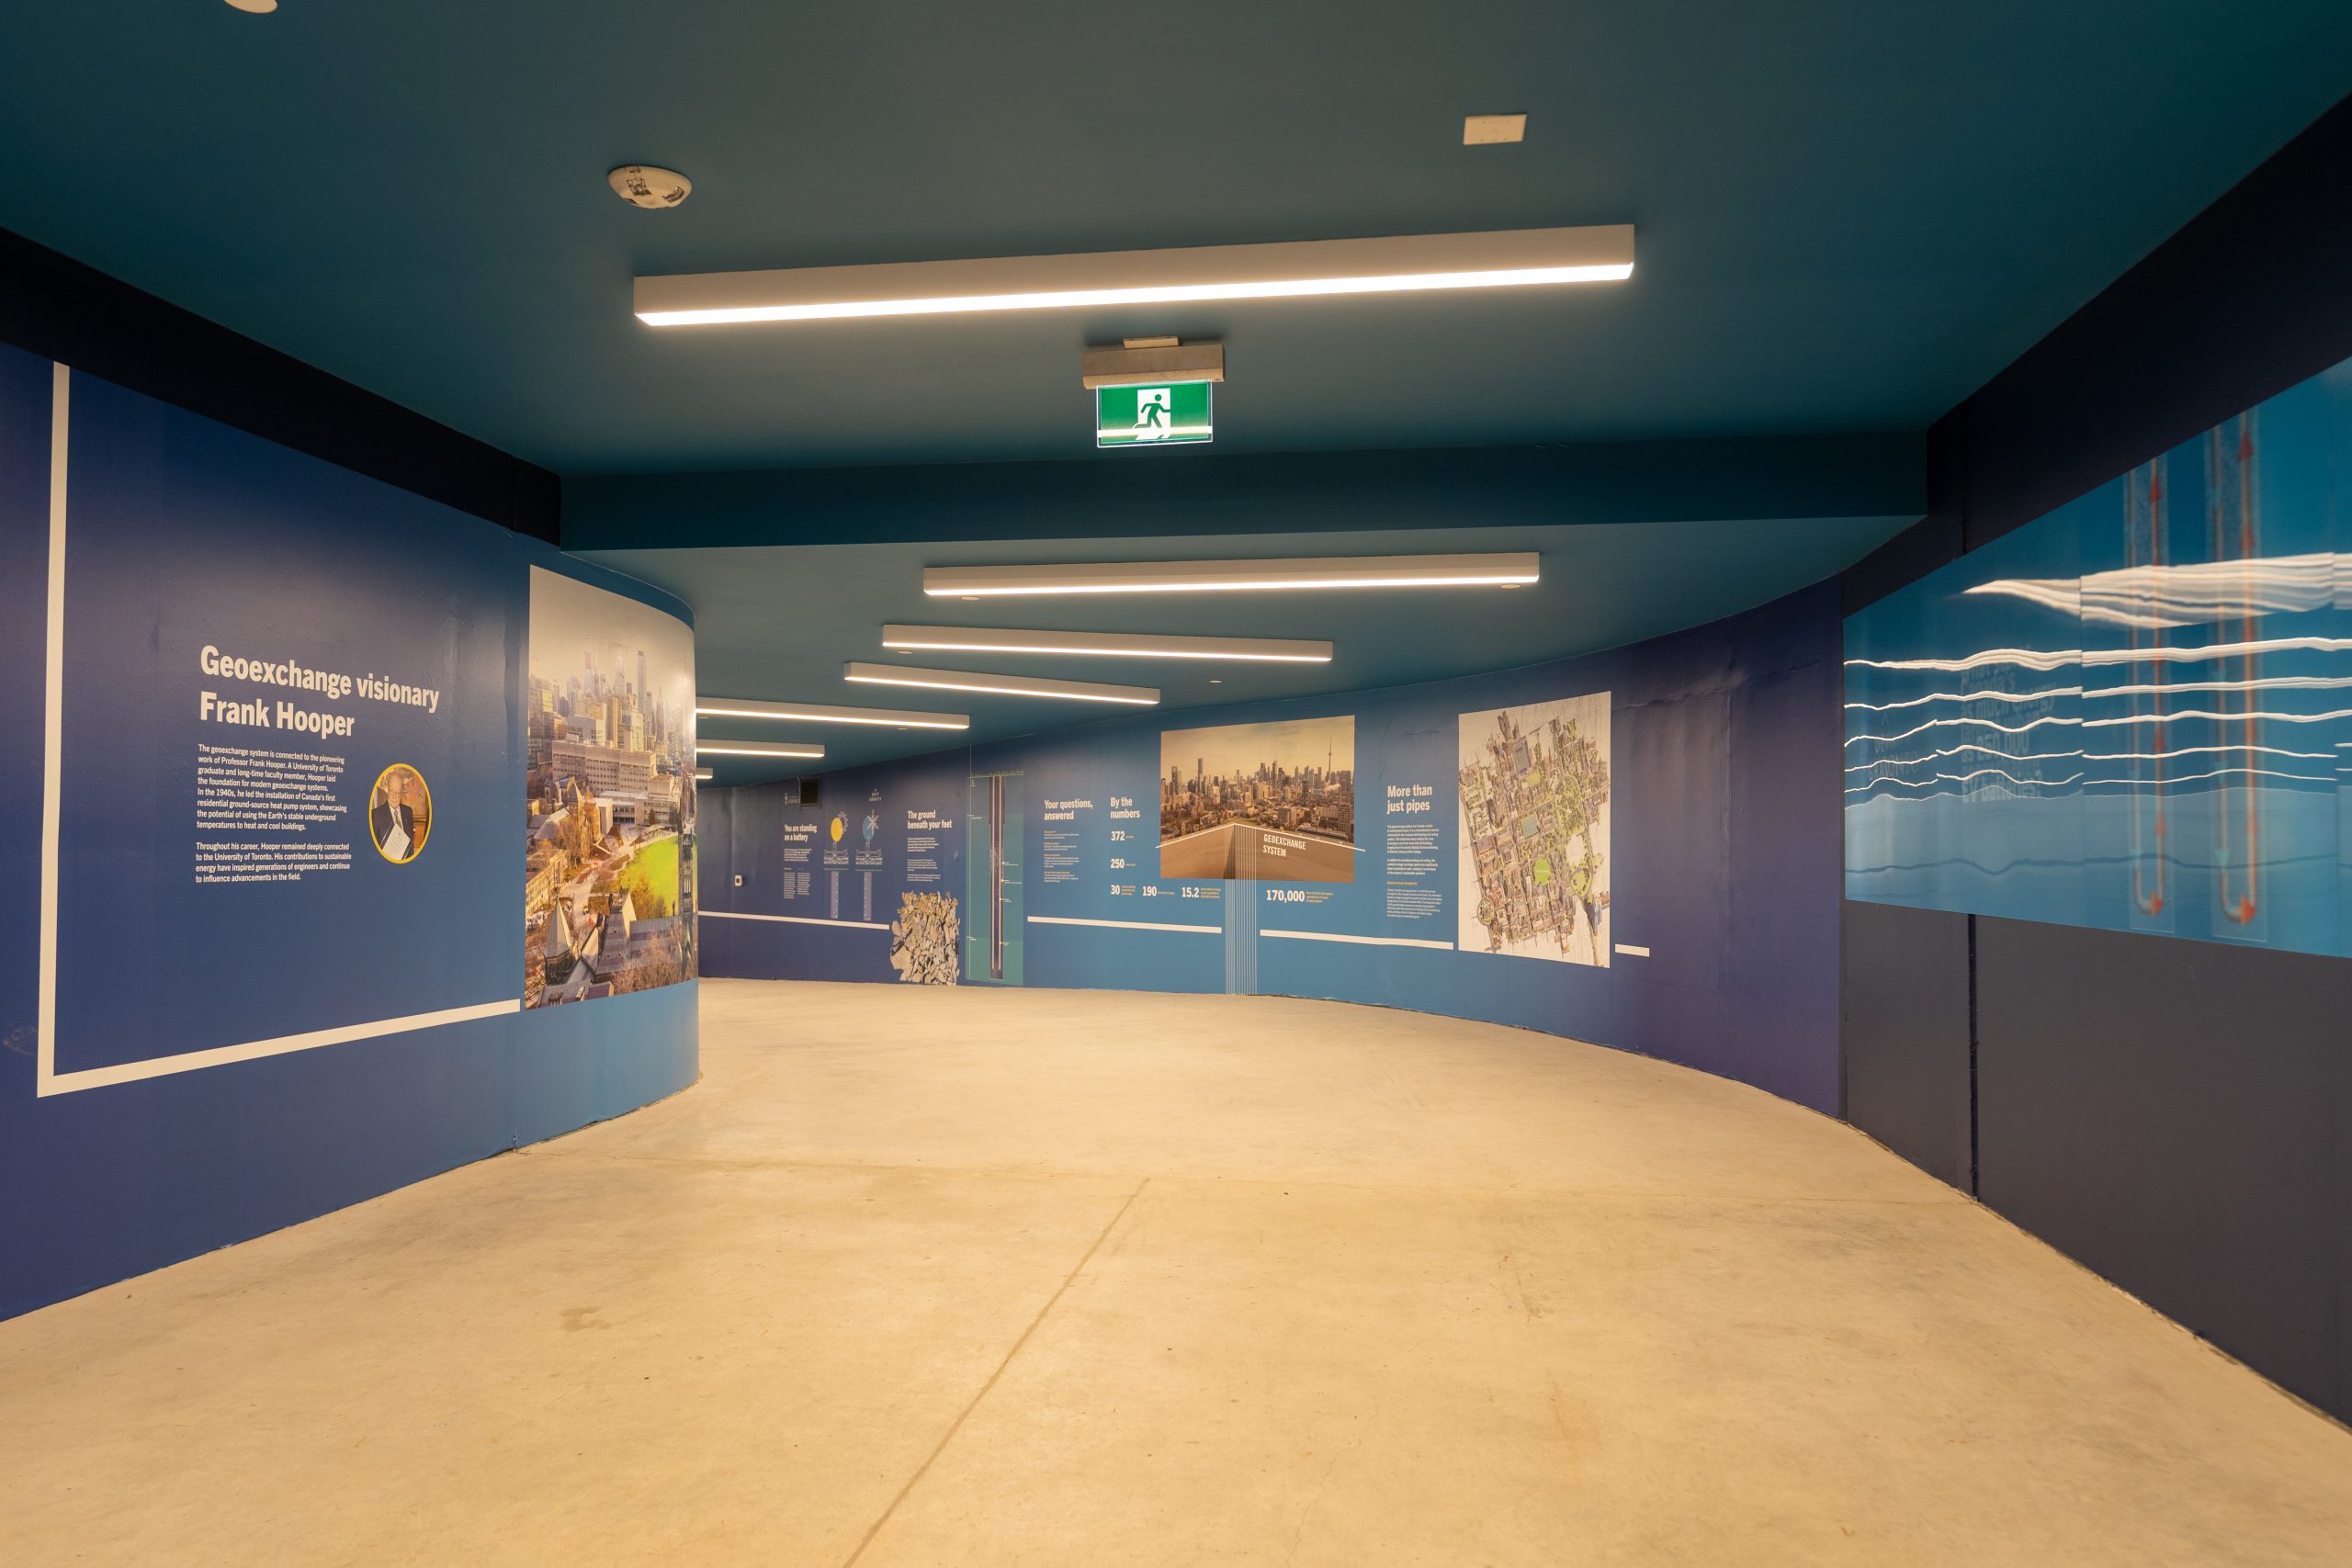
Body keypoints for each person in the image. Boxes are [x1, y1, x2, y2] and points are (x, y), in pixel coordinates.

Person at [373, 769, 421, 862]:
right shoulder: (376, 815)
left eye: (398, 792)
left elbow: (410, 847)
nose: (394, 796)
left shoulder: (408, 812)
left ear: (402, 794)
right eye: (392, 791)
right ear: (388, 790)